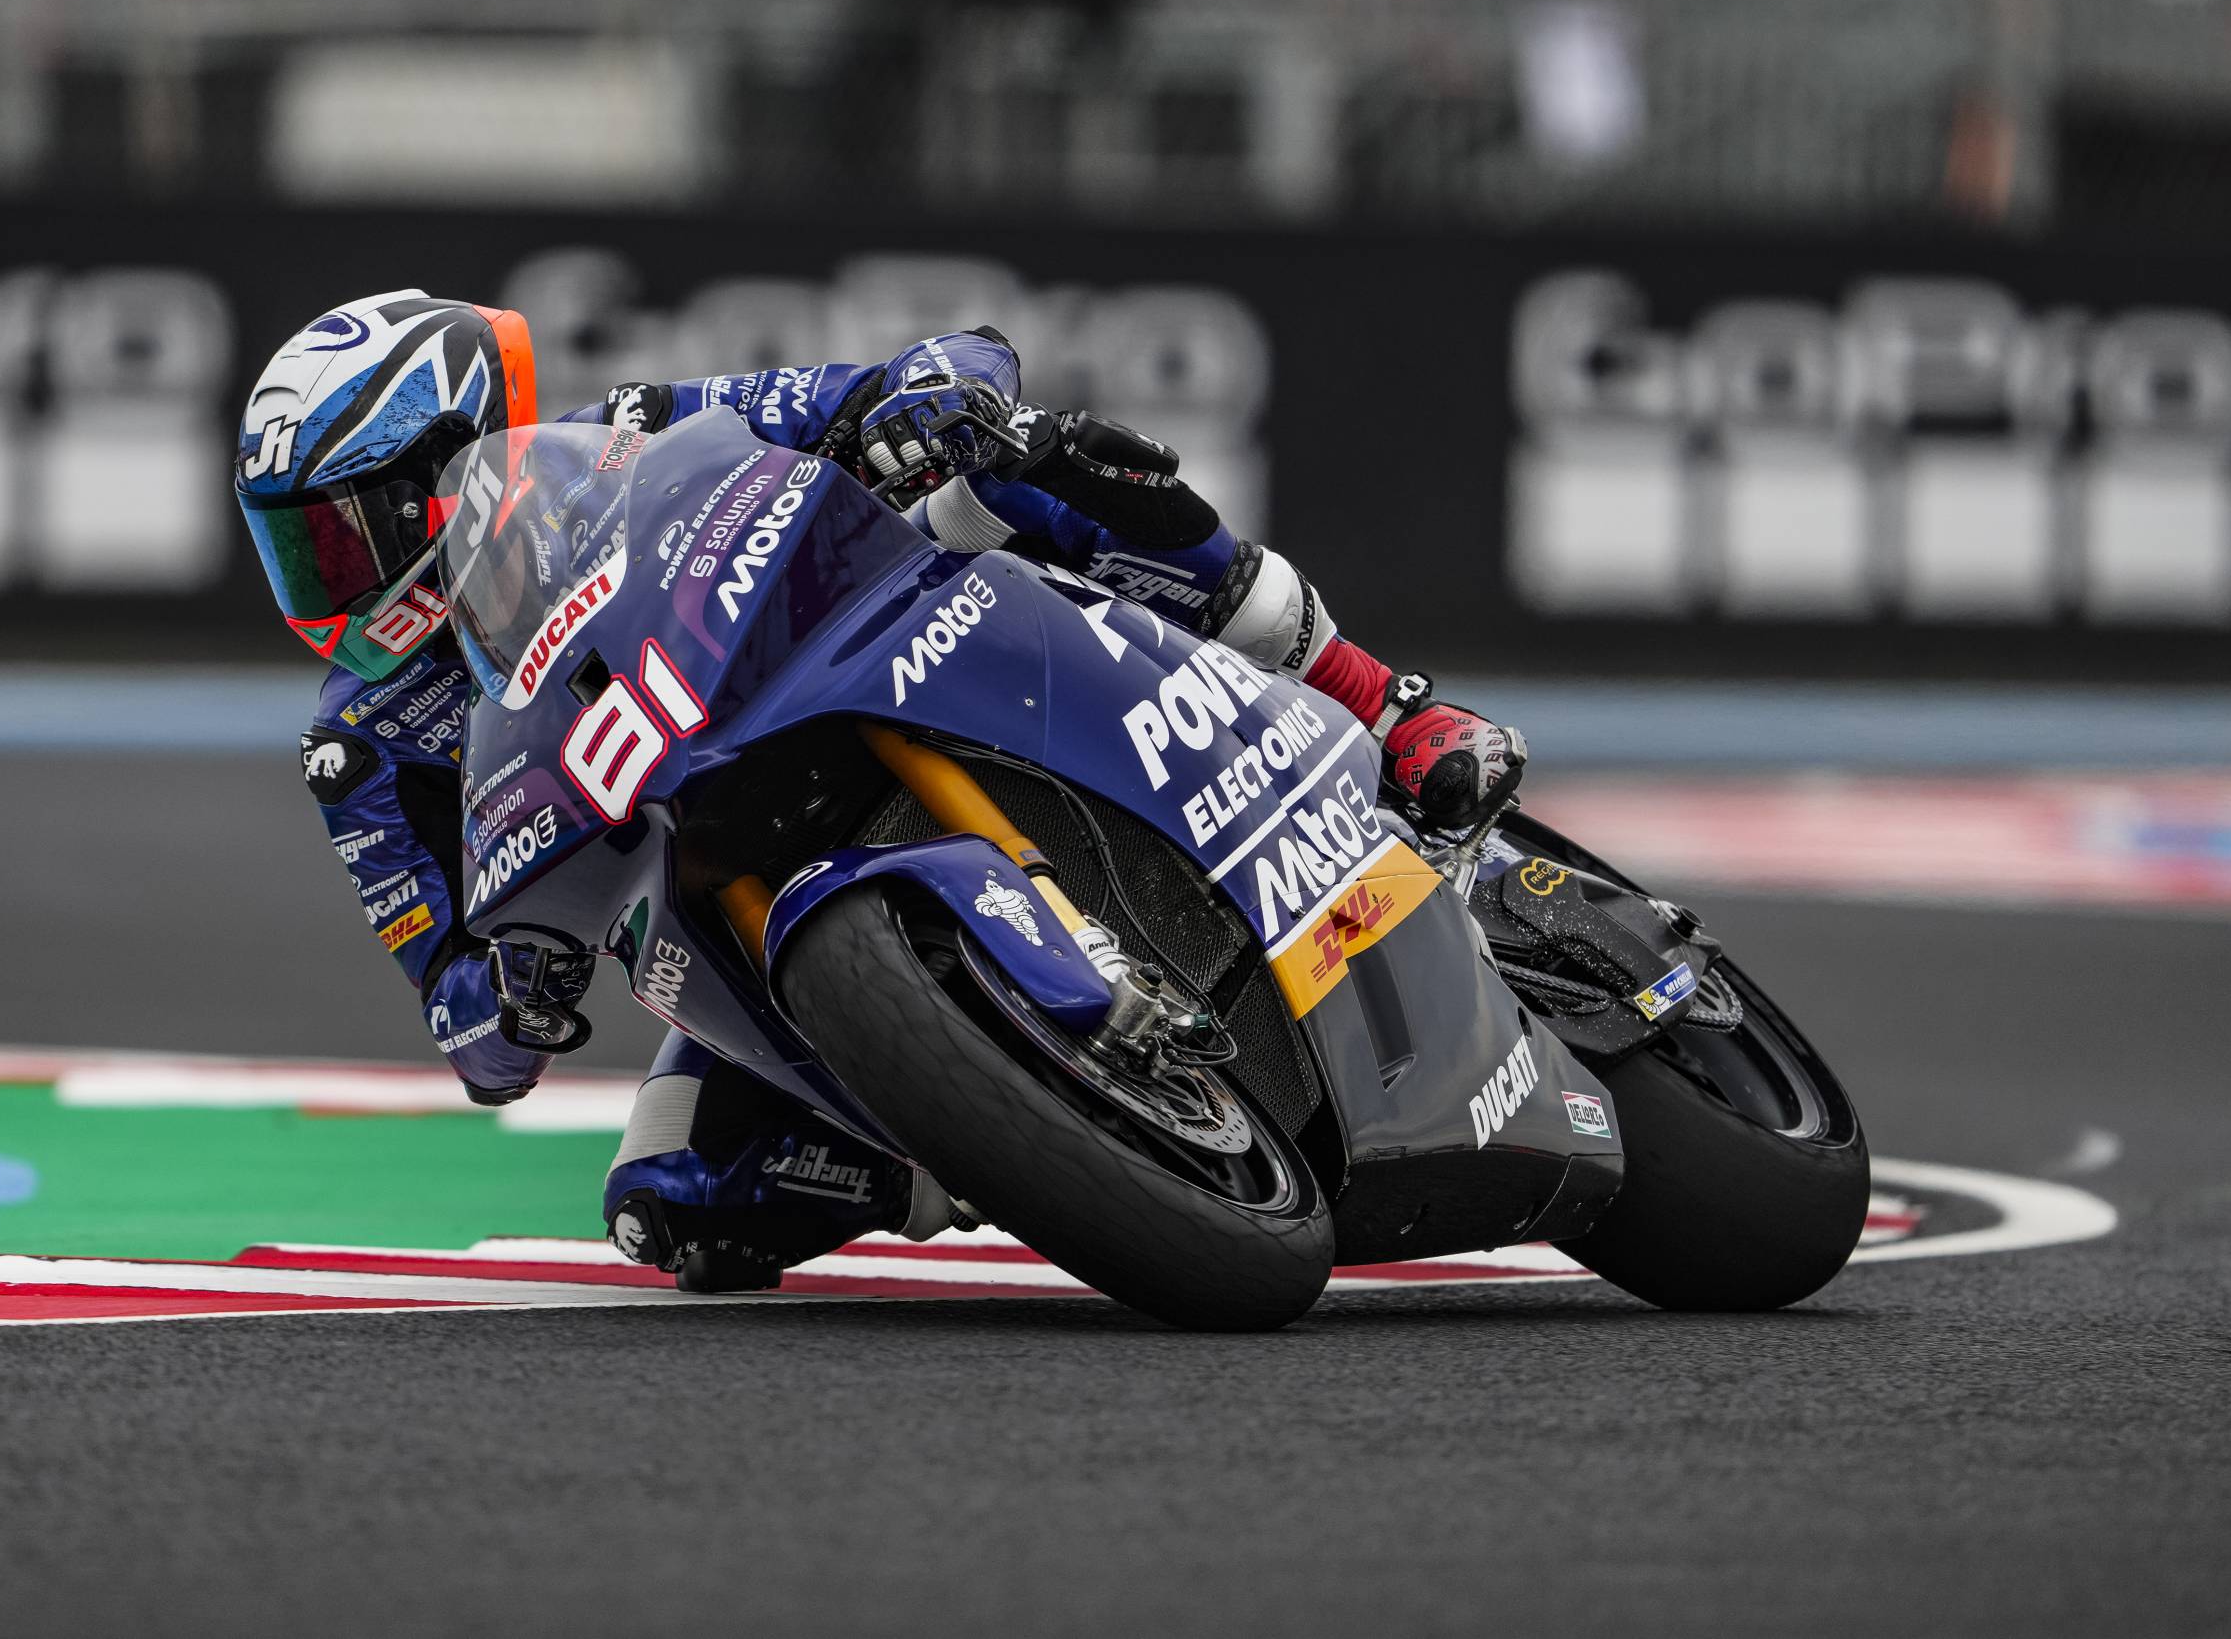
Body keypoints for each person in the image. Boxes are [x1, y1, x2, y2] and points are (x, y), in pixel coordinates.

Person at [236, 291, 1527, 1291]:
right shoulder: (361, 744)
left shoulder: (625, 437)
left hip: (883, 664)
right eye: (297, 547)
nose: (326, 577)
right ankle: (993, 1134)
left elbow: (898, 380)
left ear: (452, 453)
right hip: (717, 920)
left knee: (1017, 462)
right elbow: (471, 1034)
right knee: (673, 1207)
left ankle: (1383, 704)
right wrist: (513, 985)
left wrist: (932, 391)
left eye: (346, 530)